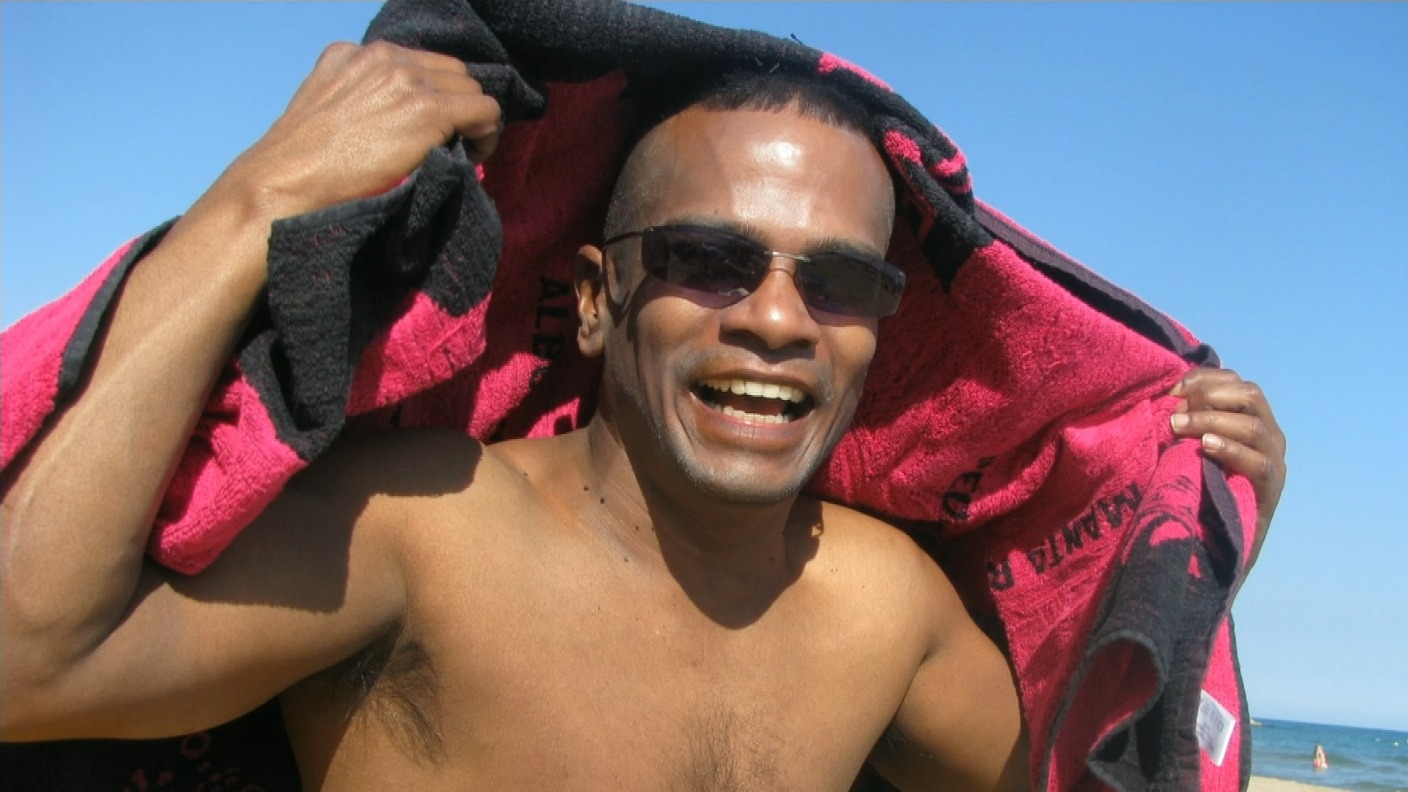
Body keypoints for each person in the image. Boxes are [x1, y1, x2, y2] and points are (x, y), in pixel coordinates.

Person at [0, 41, 1285, 791]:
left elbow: (1100, 767)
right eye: (709, 260)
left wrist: (1194, 553)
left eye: (837, 283)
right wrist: (261, 201)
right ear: (597, 299)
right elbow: (27, 665)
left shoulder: (881, 613)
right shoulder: (424, 531)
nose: (776, 319)